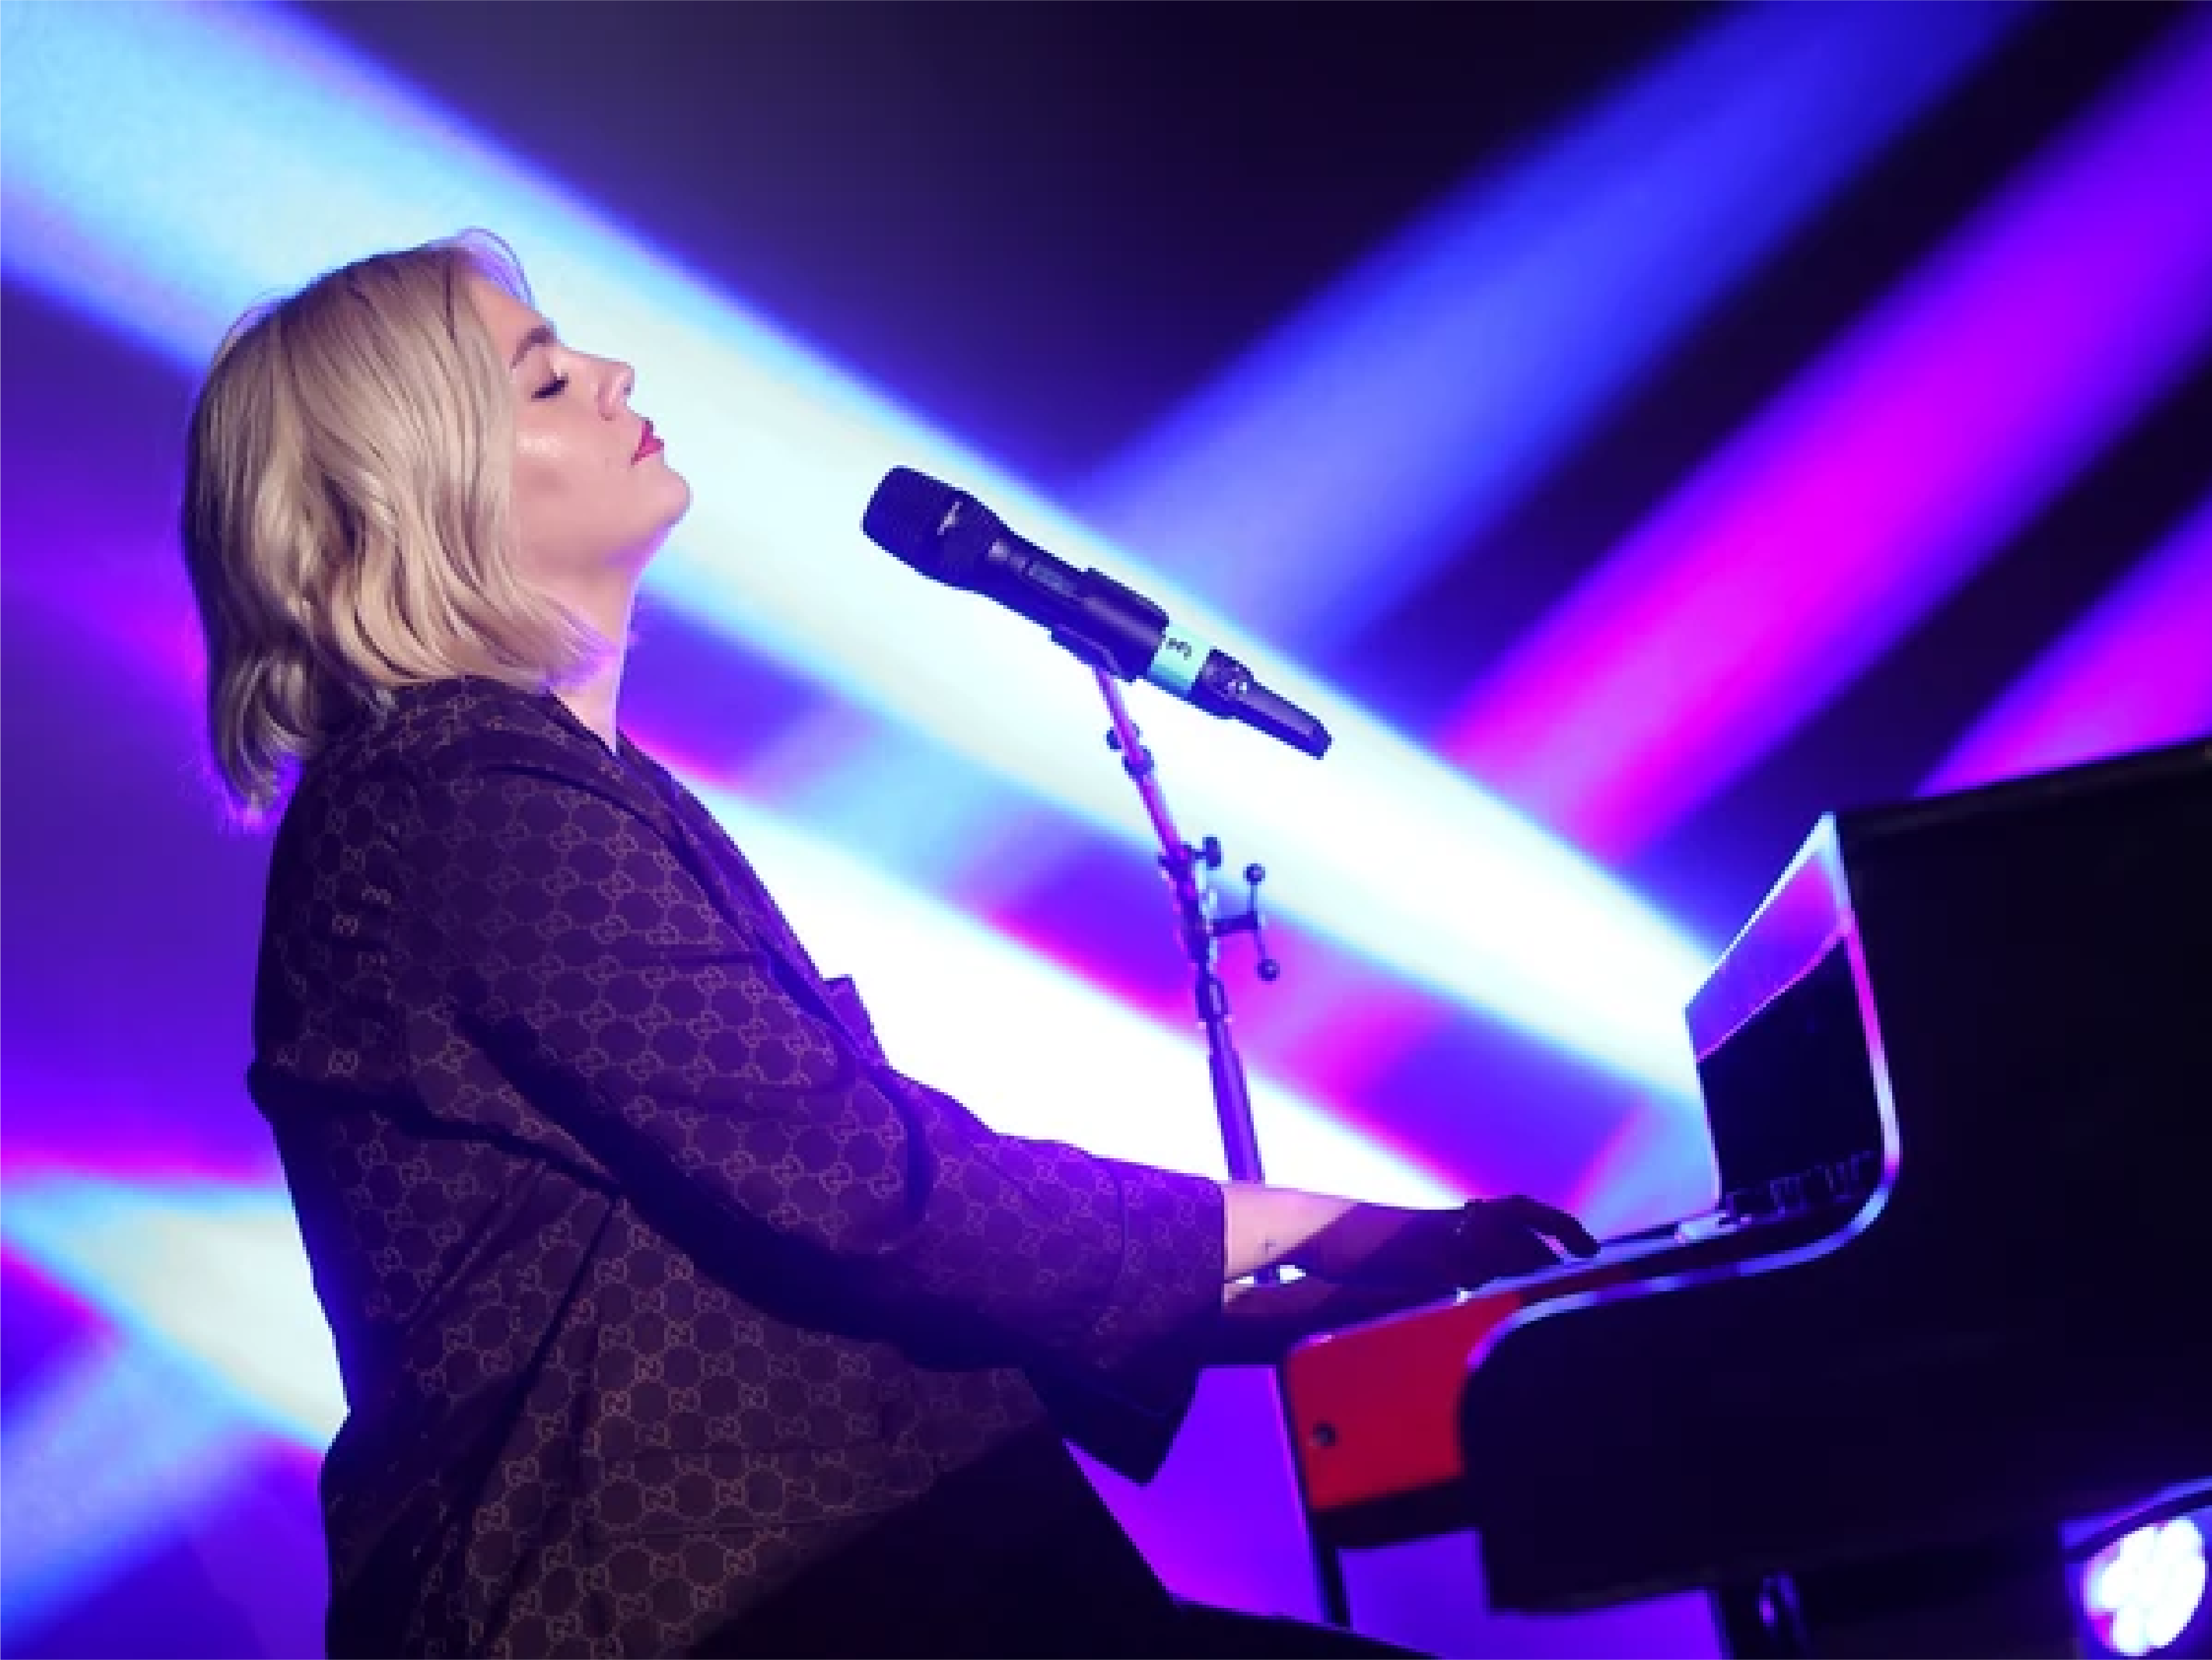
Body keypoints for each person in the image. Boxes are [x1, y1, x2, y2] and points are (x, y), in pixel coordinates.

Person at [177, 231, 1599, 1659]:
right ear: (413, 500)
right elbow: (865, 1188)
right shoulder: (458, 804)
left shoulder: (551, 787)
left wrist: (1268, 1303)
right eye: (545, 382)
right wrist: (1314, 1230)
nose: (613, 374)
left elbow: (794, 1232)